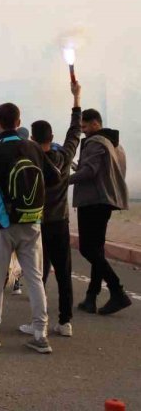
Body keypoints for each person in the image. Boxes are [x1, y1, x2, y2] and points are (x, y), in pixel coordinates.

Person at [0, 102, 59, 354]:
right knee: (34, 277)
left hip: (2, 222)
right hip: (32, 220)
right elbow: (54, 177)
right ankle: (40, 333)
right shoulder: (33, 147)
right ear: (19, 122)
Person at [18, 82, 82, 337]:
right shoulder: (64, 157)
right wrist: (77, 97)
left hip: (36, 223)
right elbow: (75, 131)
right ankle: (65, 321)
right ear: (52, 137)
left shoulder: (29, 159)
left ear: (32, 138)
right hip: (60, 221)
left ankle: (38, 322)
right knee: (63, 272)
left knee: (37, 274)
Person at [70, 106, 131, 315]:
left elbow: (90, 171)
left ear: (95, 123)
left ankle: (117, 291)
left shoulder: (95, 142)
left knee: (88, 249)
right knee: (96, 249)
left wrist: (63, 180)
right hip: (106, 201)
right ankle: (91, 297)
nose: (84, 131)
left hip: (93, 201)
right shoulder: (116, 145)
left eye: (85, 127)